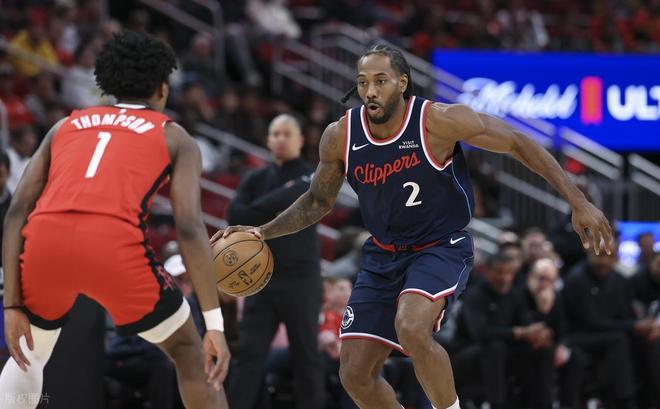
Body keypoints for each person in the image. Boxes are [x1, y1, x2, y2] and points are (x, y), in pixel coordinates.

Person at [214, 44, 613, 409]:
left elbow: (516, 141)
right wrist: (262, 232)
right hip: (382, 255)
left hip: (440, 246)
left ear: (402, 83)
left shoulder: (437, 121)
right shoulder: (341, 136)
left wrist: (578, 201)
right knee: (354, 375)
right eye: (363, 82)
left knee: (411, 326)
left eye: (380, 81)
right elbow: (318, 200)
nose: (370, 91)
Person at [0, 31, 230, 409]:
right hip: (112, 246)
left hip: (45, 241)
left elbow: (16, 211)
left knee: (29, 354)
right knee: (190, 352)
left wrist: (11, 305)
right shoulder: (175, 137)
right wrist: (215, 325)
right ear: (161, 88)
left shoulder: (64, 125)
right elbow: (189, 228)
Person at [225, 114, 325, 409]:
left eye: (287, 133)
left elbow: (298, 197)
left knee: (306, 357)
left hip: (301, 279)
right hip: (260, 280)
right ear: (268, 140)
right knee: (249, 357)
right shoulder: (255, 178)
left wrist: (257, 214)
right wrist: (279, 206)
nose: (281, 139)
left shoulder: (312, 174)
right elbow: (234, 215)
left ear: (300, 140)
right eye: (276, 134)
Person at [451, 253, 554, 409]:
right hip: (468, 352)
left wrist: (538, 333)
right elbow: (480, 333)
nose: (504, 278)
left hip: (504, 352)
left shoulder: (515, 294)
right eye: (499, 272)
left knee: (543, 349)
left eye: (509, 273)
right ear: (487, 272)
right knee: (495, 347)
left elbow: (525, 324)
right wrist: (519, 332)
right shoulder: (475, 295)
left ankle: (543, 404)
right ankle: (497, 404)